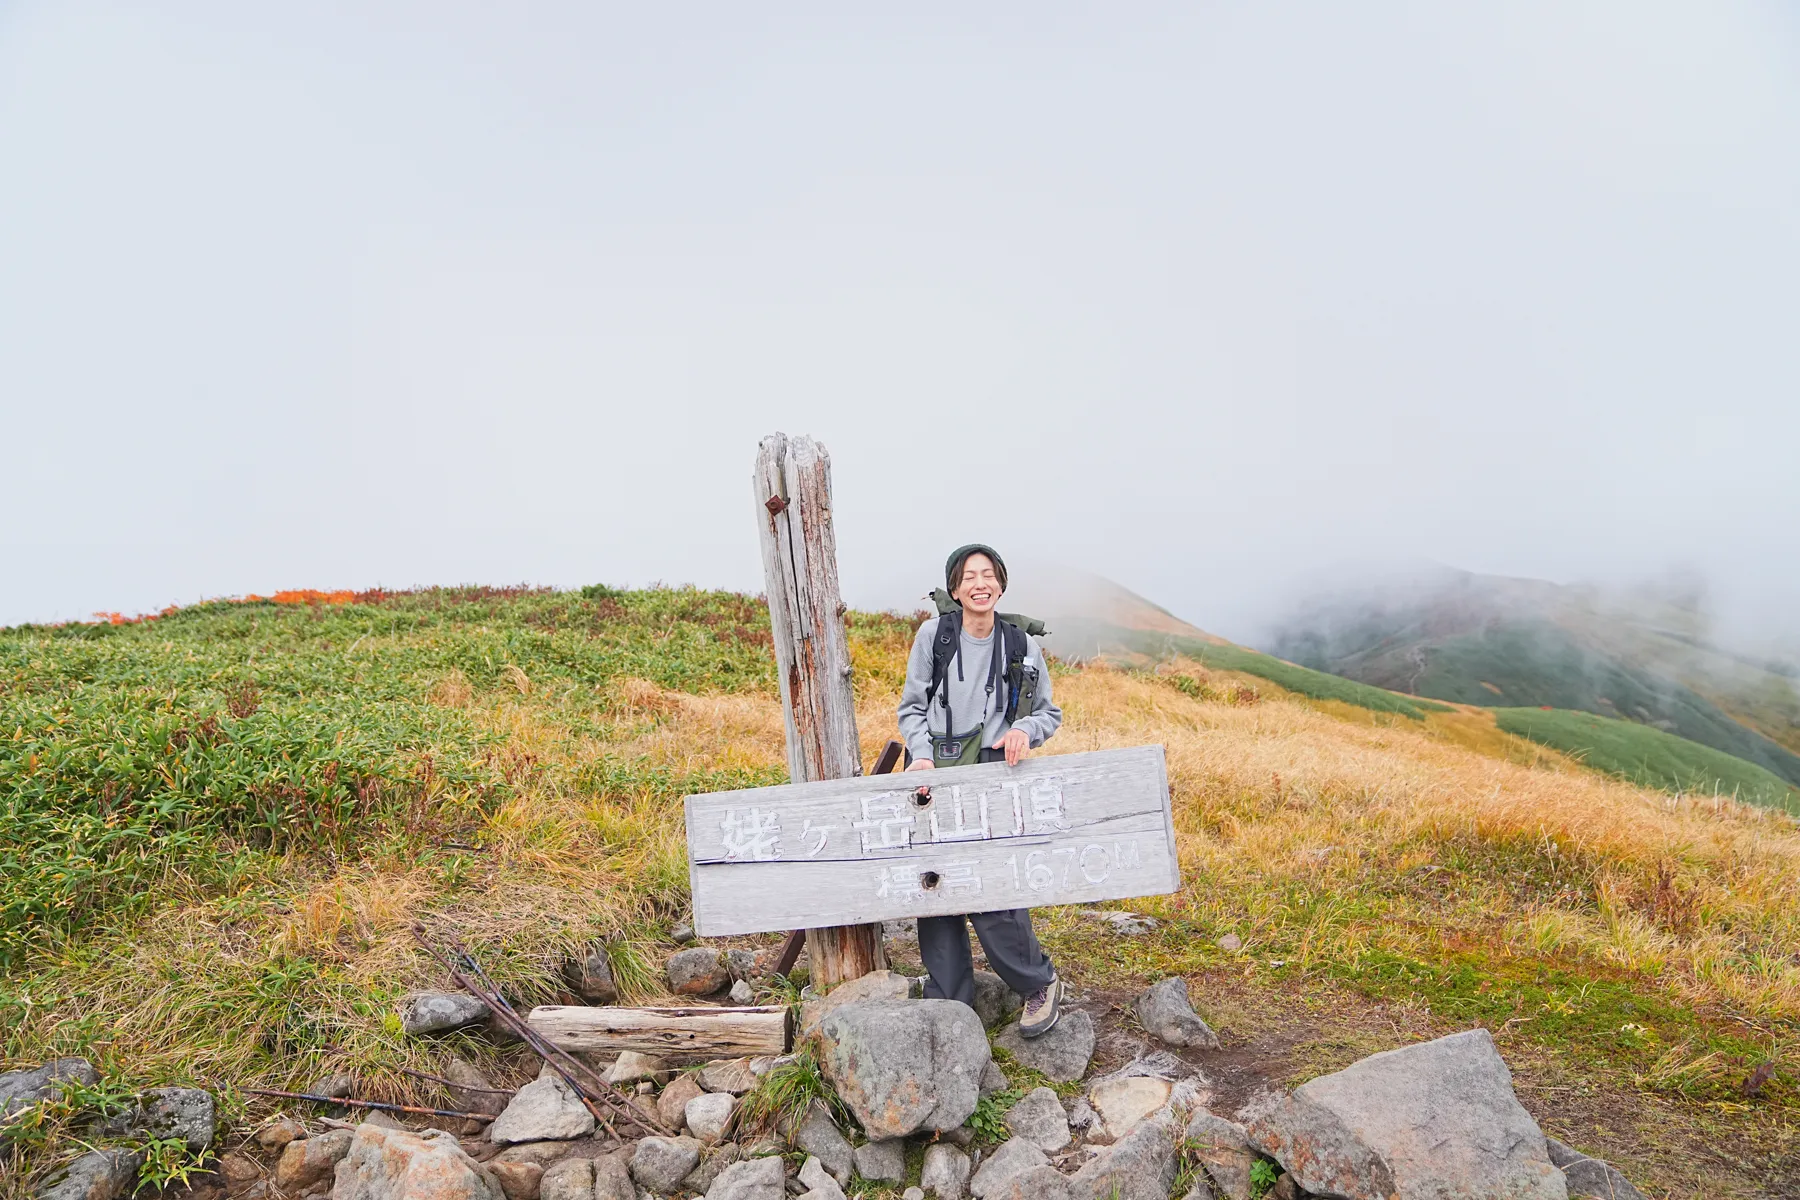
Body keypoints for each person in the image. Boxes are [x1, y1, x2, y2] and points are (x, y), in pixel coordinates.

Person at [897, 543, 1067, 1036]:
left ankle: (1037, 984)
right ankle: (950, 1002)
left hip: (993, 768)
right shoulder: (934, 636)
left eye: (988, 574)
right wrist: (921, 754)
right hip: (933, 765)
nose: (979, 583)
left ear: (1000, 584)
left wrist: (1022, 731)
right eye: (969, 576)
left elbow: (1047, 714)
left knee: (993, 883)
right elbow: (911, 707)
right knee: (935, 882)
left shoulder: (1019, 644)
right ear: (955, 589)